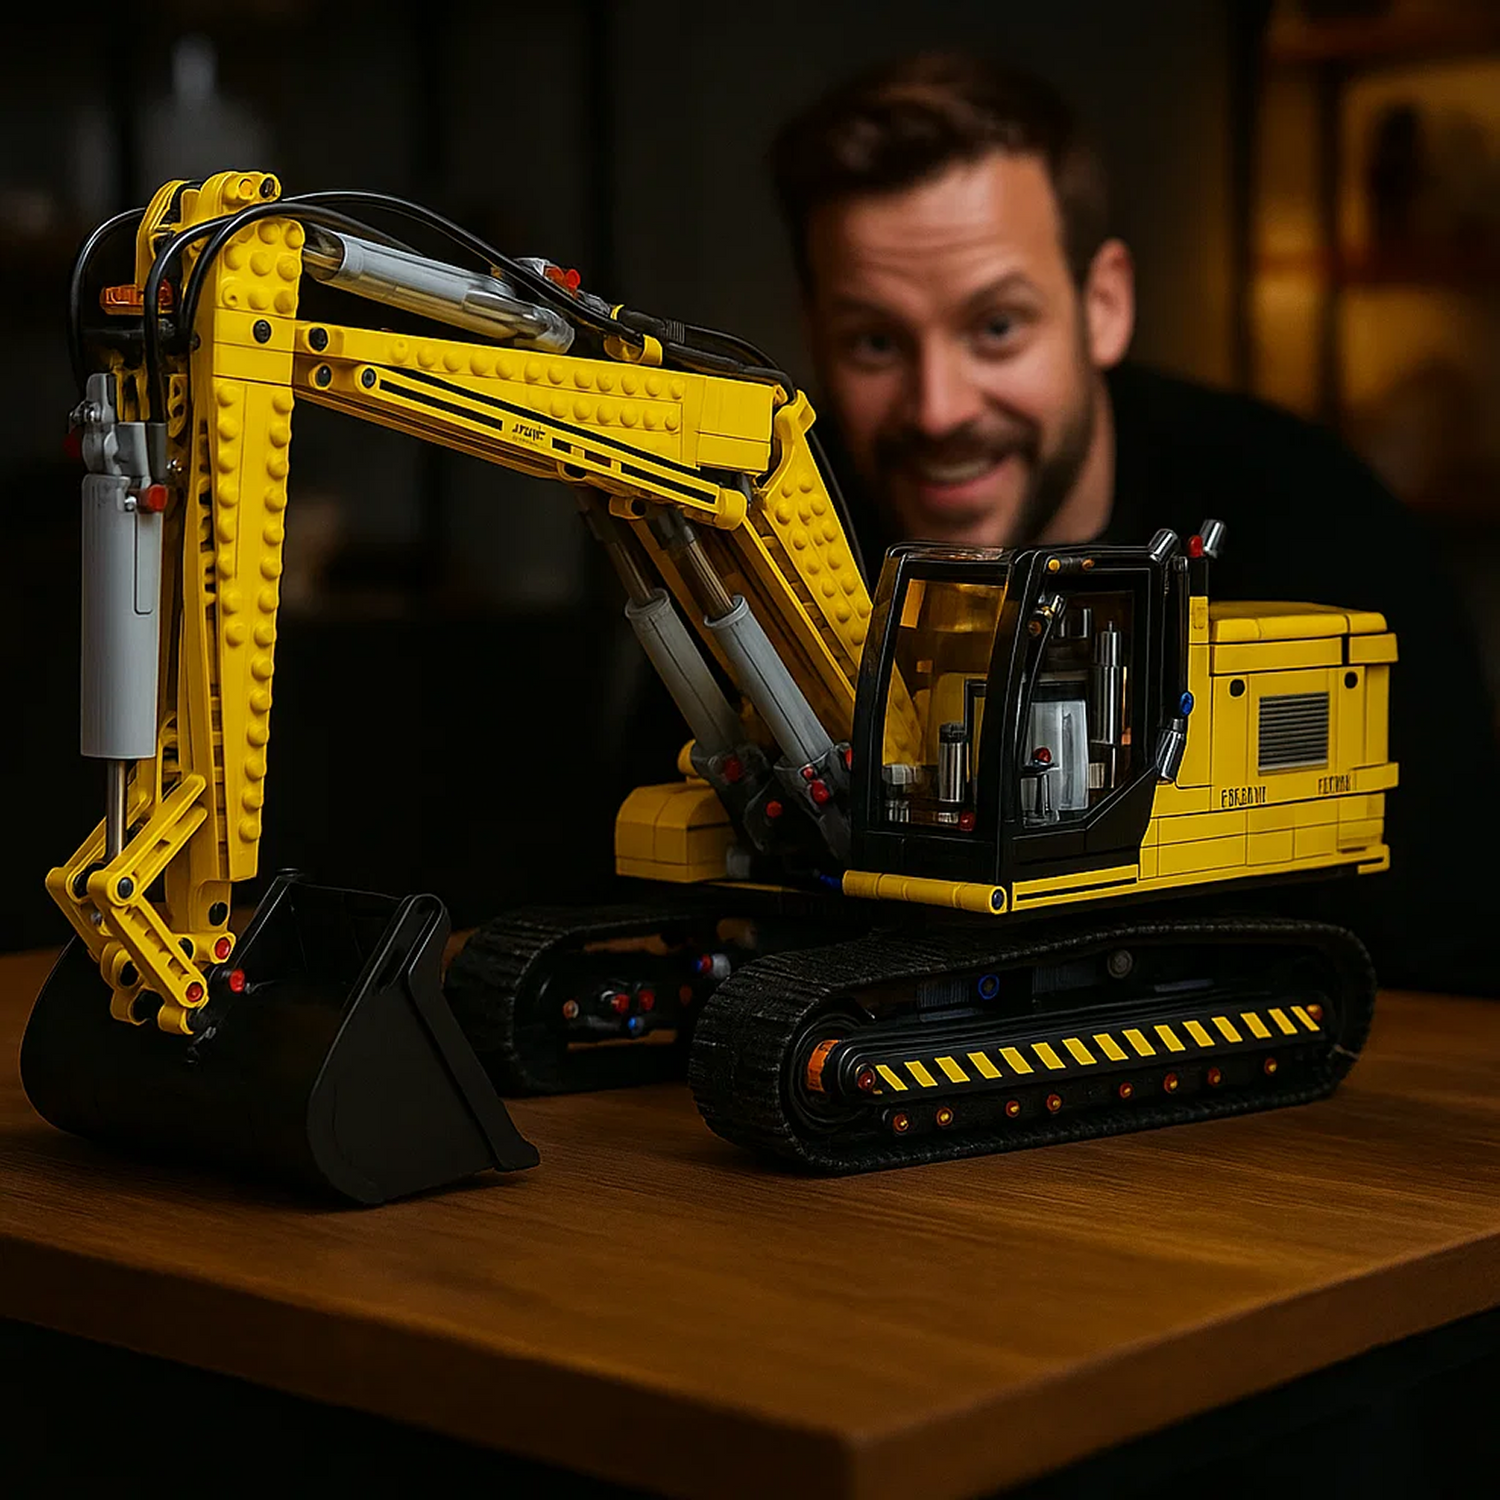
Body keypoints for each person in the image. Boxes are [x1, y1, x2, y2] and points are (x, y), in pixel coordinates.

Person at [752, 50, 1497, 996]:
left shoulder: (1324, 529)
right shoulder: (765, 540)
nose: (938, 409)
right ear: (813, 332)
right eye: (873, 341)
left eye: (996, 327)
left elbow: (1455, 955)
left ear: (1102, 305)